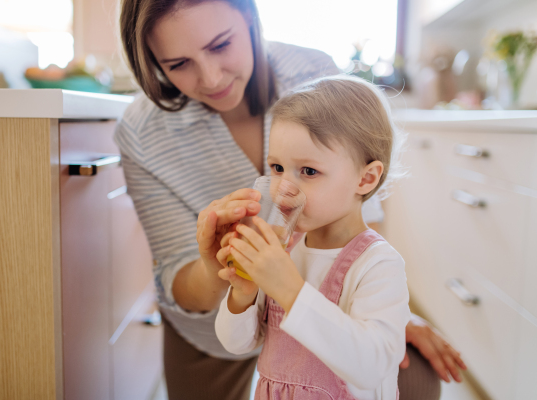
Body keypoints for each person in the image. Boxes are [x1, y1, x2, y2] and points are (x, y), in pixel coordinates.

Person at [116, 1, 466, 399]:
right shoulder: (143, 131)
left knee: (415, 370)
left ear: (249, 18)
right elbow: (235, 336)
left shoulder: (313, 76)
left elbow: (362, 225)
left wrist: (390, 311)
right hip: (234, 343)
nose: (211, 77)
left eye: (220, 45)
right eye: (178, 64)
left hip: (340, 362)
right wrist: (235, 285)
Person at [214, 75, 409, 399]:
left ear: (366, 178)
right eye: (277, 168)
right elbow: (236, 344)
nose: (283, 188)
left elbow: (371, 365)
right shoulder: (285, 249)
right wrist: (243, 294)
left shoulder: (379, 265)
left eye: (308, 171)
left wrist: (290, 290)